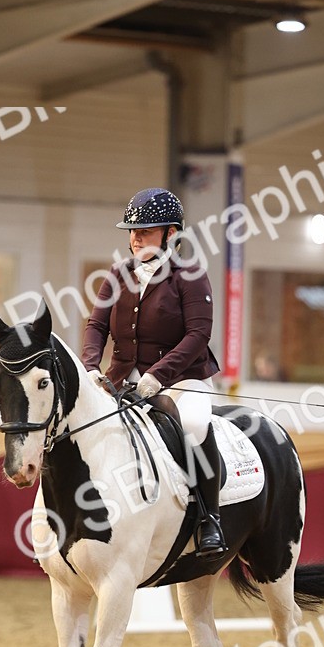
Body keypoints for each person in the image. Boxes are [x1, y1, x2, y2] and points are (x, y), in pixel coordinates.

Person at [82, 186, 227, 557]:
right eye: (133, 231)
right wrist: (90, 368)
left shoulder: (190, 275)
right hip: (121, 381)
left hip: (183, 380)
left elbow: (198, 335)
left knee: (194, 424)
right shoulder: (118, 274)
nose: (135, 238)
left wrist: (158, 376)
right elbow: (96, 326)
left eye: (145, 232)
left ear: (171, 234)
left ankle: (209, 518)